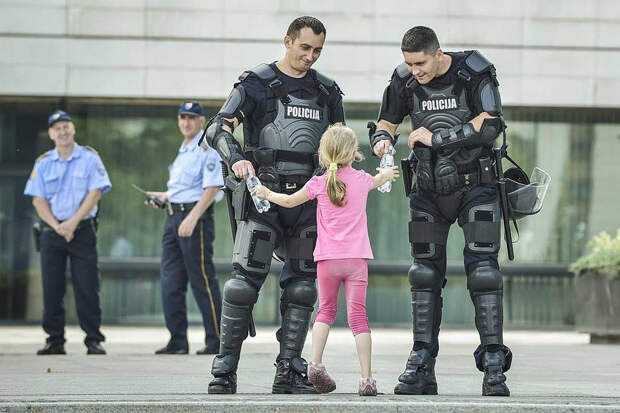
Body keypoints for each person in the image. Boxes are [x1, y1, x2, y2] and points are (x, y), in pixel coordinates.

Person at [200, 16, 345, 394]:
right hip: (262, 194)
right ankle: (224, 369)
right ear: (287, 41)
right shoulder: (258, 83)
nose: (310, 56)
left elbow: (340, 147)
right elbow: (217, 127)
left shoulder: (327, 91)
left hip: (309, 201)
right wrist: (235, 158)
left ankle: (289, 371)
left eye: (317, 50)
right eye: (304, 48)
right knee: (244, 282)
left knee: (301, 286)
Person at [370, 26, 512, 396]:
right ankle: (421, 363)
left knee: (483, 272)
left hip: (476, 186)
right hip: (427, 189)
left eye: (420, 62)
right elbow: (386, 122)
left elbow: (491, 122)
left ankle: (494, 363)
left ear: (437, 53)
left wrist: (438, 138)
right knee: (423, 274)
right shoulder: (403, 79)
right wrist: (382, 141)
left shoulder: (472, 71)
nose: (414, 70)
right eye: (409, 62)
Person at [252, 124, 399, 396]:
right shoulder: (363, 179)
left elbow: (287, 201)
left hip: (327, 261)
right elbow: (383, 179)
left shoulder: (318, 183)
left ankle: (316, 364)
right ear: (354, 153)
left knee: (325, 313)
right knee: (358, 318)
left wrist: (266, 194)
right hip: (356, 260)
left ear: (323, 153)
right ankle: (366, 379)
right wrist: (388, 171)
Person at [24, 110, 111, 355]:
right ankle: (55, 340)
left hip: (82, 231)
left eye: (66, 127)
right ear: (51, 134)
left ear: (73, 130)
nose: (62, 131)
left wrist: (72, 223)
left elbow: (95, 193)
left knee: (87, 286)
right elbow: (38, 200)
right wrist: (57, 225)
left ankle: (93, 339)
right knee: (52, 287)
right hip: (53, 232)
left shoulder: (90, 158)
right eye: (57, 128)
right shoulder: (43, 163)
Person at [146, 100, 223, 355]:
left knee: (202, 280)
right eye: (183, 117)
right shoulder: (183, 150)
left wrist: (192, 217)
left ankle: (217, 341)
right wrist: (164, 196)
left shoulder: (207, 148)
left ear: (201, 121)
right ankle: (177, 340)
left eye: (192, 118)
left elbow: (212, 188)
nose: (186, 122)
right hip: (173, 218)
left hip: (195, 219)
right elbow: (182, 189)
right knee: (171, 282)